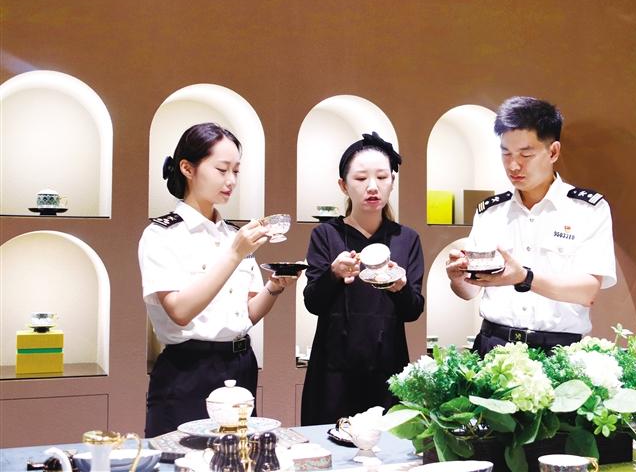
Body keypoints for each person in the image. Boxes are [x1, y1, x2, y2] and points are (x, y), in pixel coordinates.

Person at [138, 122, 299, 437]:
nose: (231, 180)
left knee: (240, 454)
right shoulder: (162, 234)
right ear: (187, 168)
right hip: (187, 369)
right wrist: (234, 254)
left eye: (236, 171)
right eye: (222, 170)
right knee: (182, 455)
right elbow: (179, 311)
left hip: (240, 362)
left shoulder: (233, 234)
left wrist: (274, 287)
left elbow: (247, 314)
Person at [446, 97, 616, 357]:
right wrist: (458, 277)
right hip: (493, 345)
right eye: (506, 153)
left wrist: (524, 277)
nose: (513, 165)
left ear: (553, 152)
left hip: (559, 352)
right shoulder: (490, 211)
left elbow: (587, 291)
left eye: (526, 155)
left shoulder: (588, 209)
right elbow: (470, 291)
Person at [301, 132, 425, 425]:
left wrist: (400, 287)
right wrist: (333, 273)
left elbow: (413, 310)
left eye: (382, 177)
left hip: (389, 370)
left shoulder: (406, 238)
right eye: (360, 178)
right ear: (343, 185)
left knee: (390, 447)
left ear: (392, 181)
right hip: (333, 373)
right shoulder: (326, 235)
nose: (372, 186)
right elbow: (313, 303)